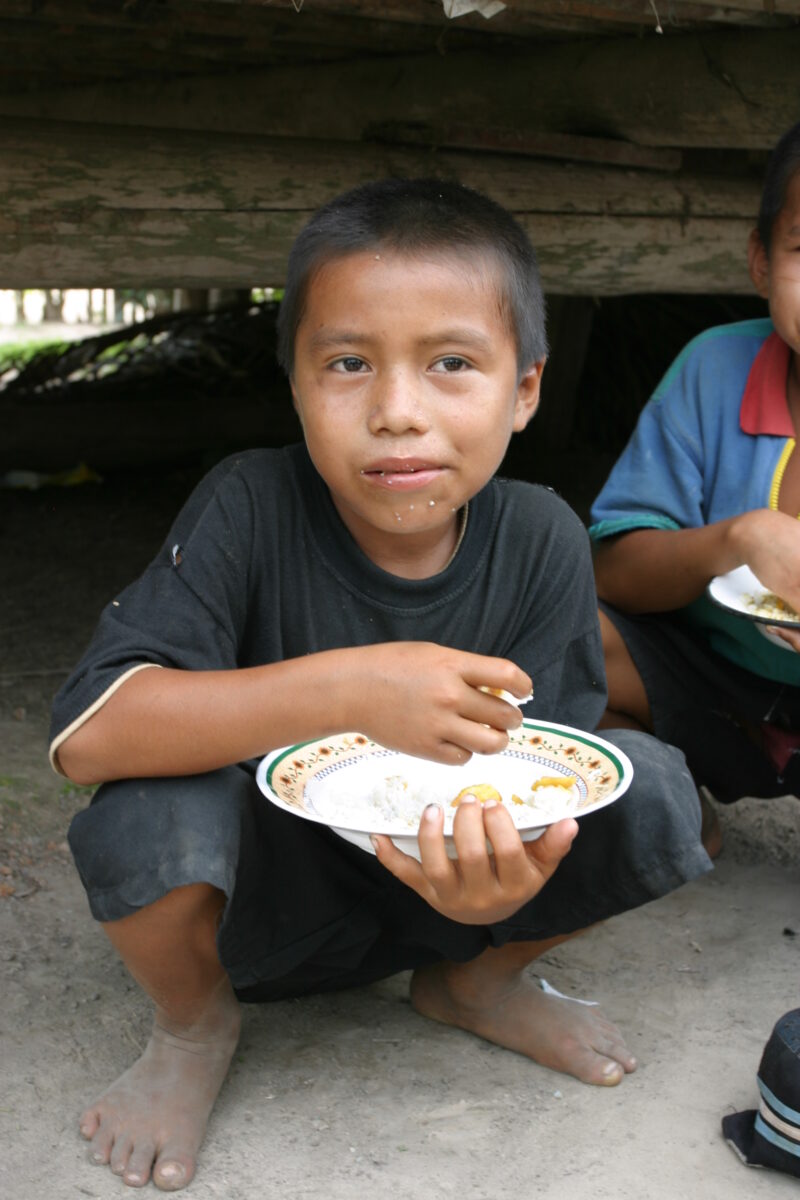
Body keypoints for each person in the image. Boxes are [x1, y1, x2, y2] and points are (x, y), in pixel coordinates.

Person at [50, 179, 709, 1192]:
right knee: (141, 817)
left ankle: (476, 987)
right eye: (348, 364)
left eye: (450, 363)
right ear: (299, 386)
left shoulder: (538, 537)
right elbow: (88, 739)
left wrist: (521, 866)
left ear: (524, 389)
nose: (397, 412)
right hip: (257, 905)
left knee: (653, 789)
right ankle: (192, 1027)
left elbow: (554, 767)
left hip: (459, 894)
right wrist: (352, 687)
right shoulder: (249, 503)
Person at [589, 121, 800, 856]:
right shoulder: (716, 369)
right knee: (560, 626)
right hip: (718, 690)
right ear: (762, 261)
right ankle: (671, 799)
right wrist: (735, 541)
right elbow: (612, 574)